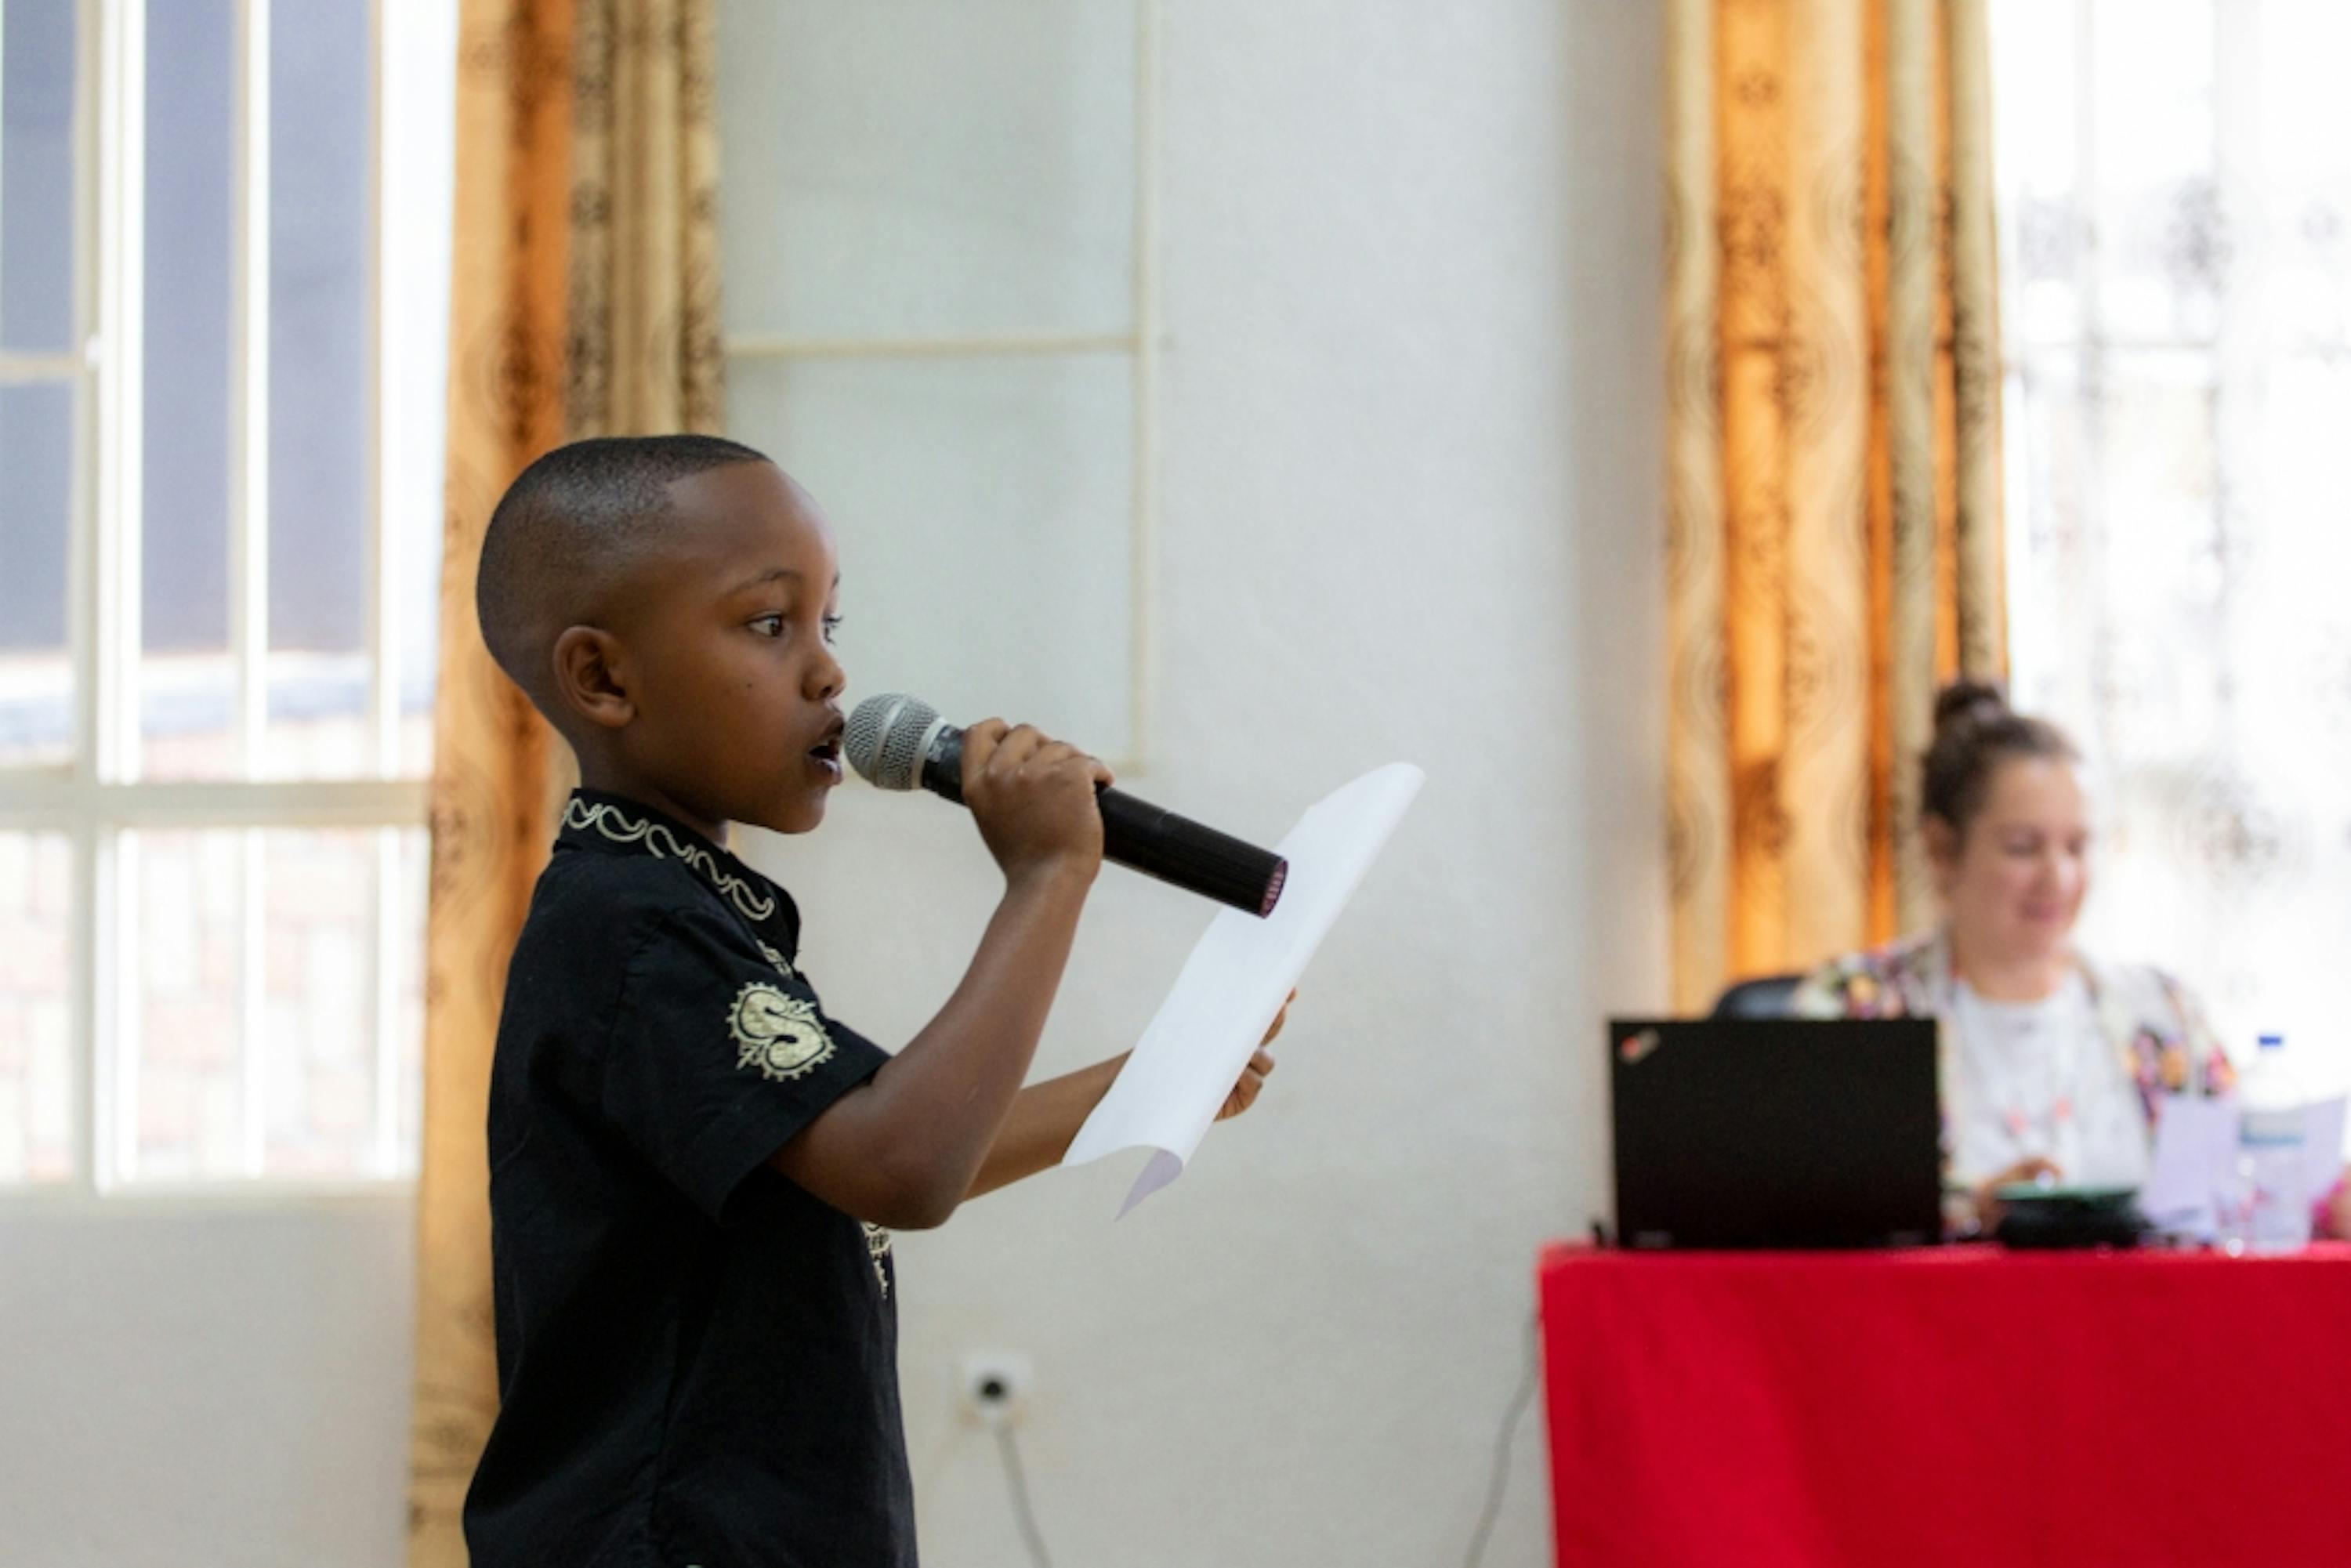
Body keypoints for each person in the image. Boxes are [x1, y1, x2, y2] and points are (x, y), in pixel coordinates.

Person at [459, 434, 1285, 1565]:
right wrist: (1050, 876)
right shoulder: (633, 928)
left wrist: (1151, 1080)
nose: (828, 674)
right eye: (767, 624)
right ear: (604, 678)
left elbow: (852, 1159)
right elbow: (903, 1165)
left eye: (828, 625)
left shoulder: (673, 905)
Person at [1791, 681, 2349, 1239]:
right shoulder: (1854, 1005)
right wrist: (1966, 1213)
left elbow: (2248, 1185)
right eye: (2023, 847)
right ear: (1942, 848)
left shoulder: (2161, 1012)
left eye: (2077, 847)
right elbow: (1805, 1214)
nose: (2057, 878)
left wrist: (2324, 1205)